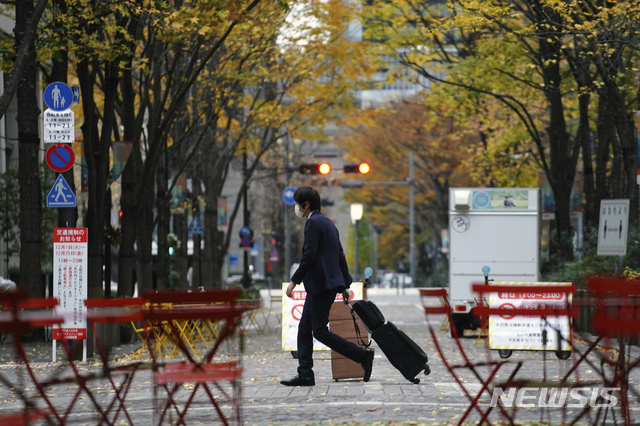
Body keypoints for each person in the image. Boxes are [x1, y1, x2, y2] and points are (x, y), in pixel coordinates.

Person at [281, 186, 374, 387]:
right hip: (324, 285)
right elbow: (339, 254)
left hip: (320, 286)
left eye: (298, 204)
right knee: (304, 329)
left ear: (306, 205)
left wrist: (294, 281)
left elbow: (309, 256)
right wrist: (344, 285)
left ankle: (361, 355)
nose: (296, 208)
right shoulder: (328, 224)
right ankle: (305, 373)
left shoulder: (313, 223)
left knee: (319, 331)